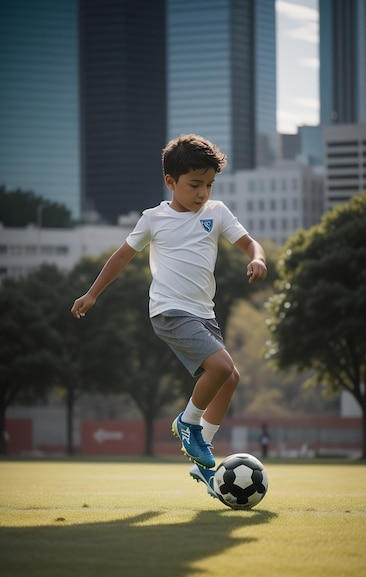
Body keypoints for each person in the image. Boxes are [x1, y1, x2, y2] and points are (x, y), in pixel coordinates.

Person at [71, 134, 267, 498]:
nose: (203, 193)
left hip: (203, 313)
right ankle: (187, 422)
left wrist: (257, 258)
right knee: (221, 368)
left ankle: (202, 457)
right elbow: (121, 258)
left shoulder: (217, 213)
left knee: (230, 378)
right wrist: (92, 293)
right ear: (171, 182)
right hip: (169, 311)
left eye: (209, 184)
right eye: (195, 185)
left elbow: (249, 243)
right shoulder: (153, 219)